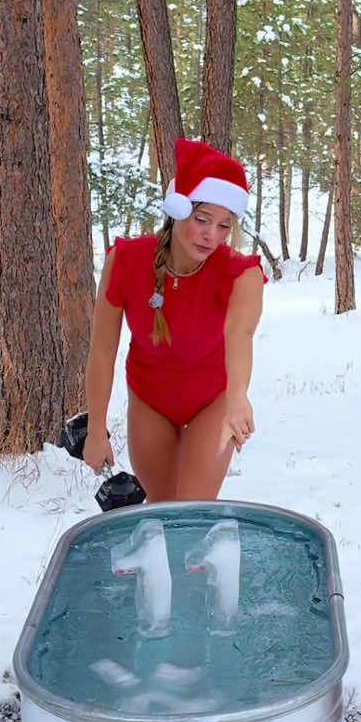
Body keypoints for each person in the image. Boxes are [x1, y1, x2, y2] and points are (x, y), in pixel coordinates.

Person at [82, 138, 266, 502]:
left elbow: (240, 336)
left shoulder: (241, 274)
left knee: (193, 510)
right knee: (164, 509)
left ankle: (204, 559)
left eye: (224, 226)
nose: (211, 235)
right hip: (150, 399)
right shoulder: (126, 261)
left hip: (213, 400)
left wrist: (237, 396)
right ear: (178, 210)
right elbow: (102, 351)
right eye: (202, 220)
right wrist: (96, 430)